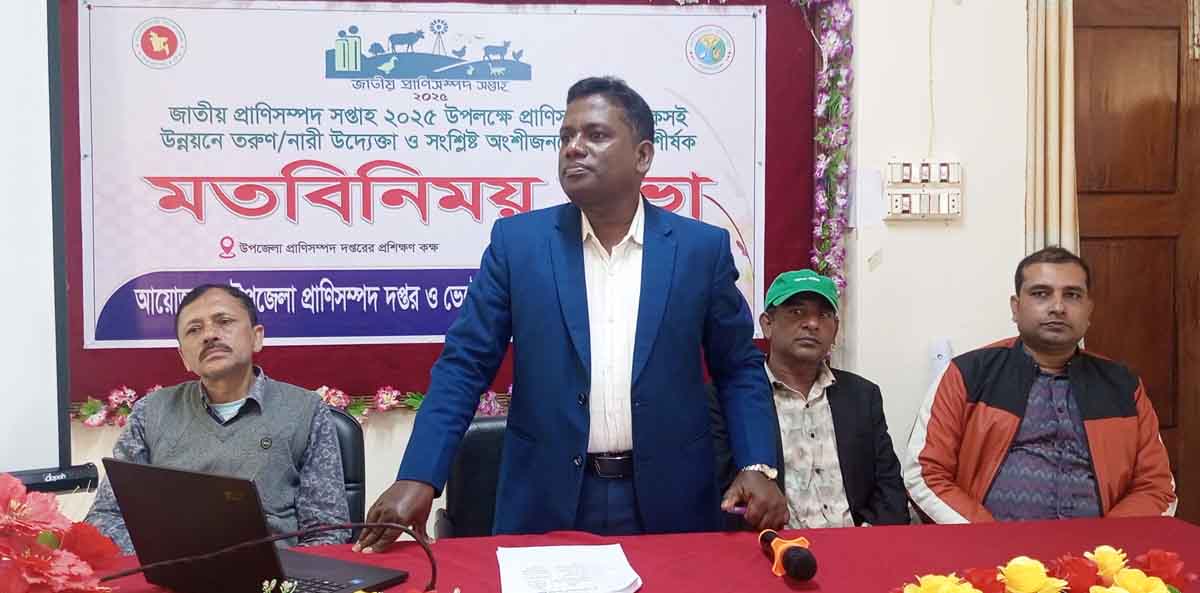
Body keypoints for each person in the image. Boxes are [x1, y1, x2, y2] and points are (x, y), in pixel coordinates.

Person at [355, 76, 785, 551]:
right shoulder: (518, 245)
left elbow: (738, 367)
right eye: (566, 136)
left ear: (643, 156)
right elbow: (464, 365)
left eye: (596, 135)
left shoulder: (699, 250)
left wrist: (757, 464)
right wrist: (419, 474)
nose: (574, 148)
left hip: (672, 504)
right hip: (546, 501)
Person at [904, 247, 1176, 522]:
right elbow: (925, 473)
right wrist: (986, 536)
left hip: (1101, 547)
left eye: (1072, 295)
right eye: (1041, 293)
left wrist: (1109, 542)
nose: (1058, 307)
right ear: (1016, 307)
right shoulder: (967, 375)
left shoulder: (1122, 385)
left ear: (1089, 309)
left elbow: (1156, 486)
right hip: (988, 542)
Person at [85, 285, 350, 552]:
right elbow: (106, 516)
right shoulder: (150, 412)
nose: (209, 335)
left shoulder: (305, 410)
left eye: (224, 321)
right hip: (172, 568)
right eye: (194, 329)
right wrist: (158, 559)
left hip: (276, 570)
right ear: (184, 357)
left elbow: (327, 529)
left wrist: (292, 574)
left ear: (256, 337)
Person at [713, 270, 907, 529]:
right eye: (797, 312)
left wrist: (865, 542)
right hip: (773, 545)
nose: (812, 323)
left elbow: (890, 491)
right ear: (767, 324)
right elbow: (720, 494)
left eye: (824, 315)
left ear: (835, 329)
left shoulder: (862, 396)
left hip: (858, 543)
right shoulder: (733, 400)